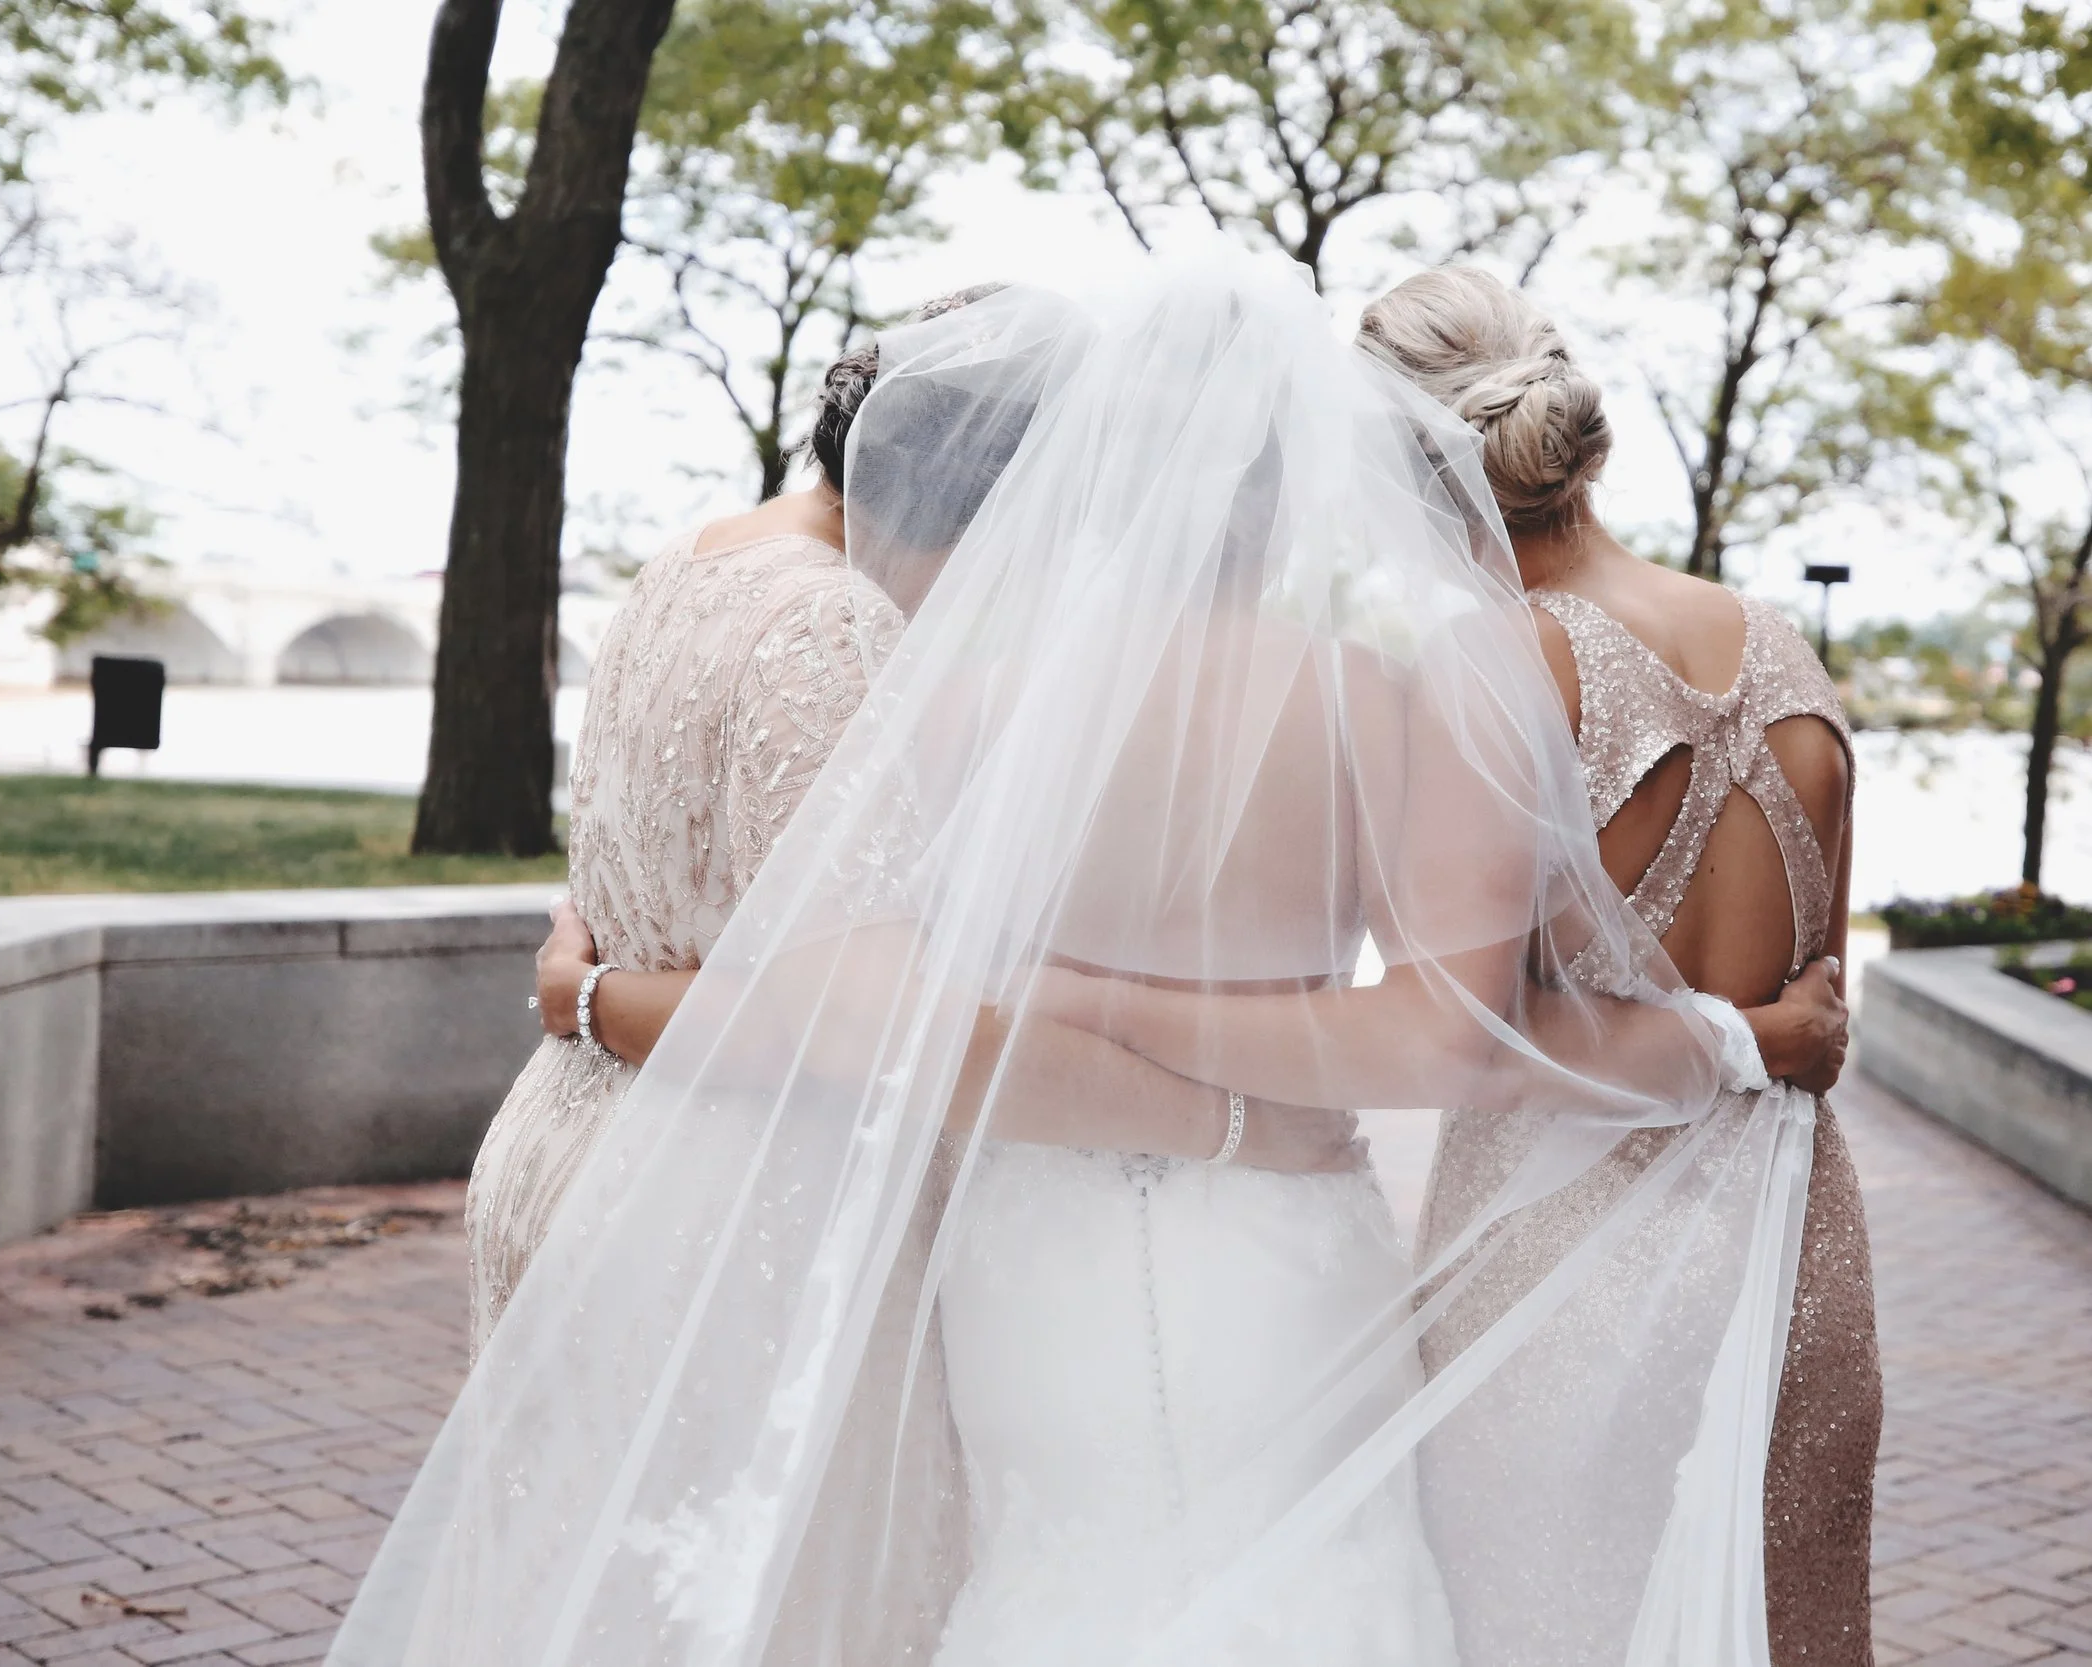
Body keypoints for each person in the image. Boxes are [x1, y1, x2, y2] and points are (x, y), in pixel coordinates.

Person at [329, 248, 1832, 1667]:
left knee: (1044, 1572)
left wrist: (600, 992)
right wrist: (1732, 1038)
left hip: (1022, 1236)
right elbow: (1446, 1028)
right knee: (1310, 1580)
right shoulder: (1392, 692)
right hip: (1278, 1222)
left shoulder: (961, 692)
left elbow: (828, 982)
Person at [470, 286, 1362, 1350]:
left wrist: (588, 997)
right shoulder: (830, 620)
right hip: (727, 1208)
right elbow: (869, 1029)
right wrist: (1231, 1125)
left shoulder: (693, 557)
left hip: (566, 1146)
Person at [1354, 265, 1877, 1667]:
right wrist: (1755, 1033)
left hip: (1559, 1274)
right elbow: (1823, 1006)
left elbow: (1462, 1039)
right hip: (1795, 1274)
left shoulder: (1491, 666)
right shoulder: (1785, 646)